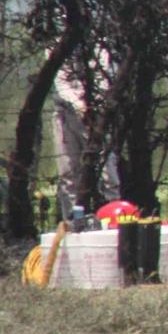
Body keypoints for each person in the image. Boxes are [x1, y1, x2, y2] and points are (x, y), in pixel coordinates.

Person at [51, 45, 120, 220]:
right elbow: (61, 83)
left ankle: (113, 219)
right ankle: (73, 223)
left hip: (96, 113)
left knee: (107, 171)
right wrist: (78, 105)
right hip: (65, 113)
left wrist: (94, 104)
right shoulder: (56, 45)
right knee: (68, 172)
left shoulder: (99, 45)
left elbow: (104, 79)